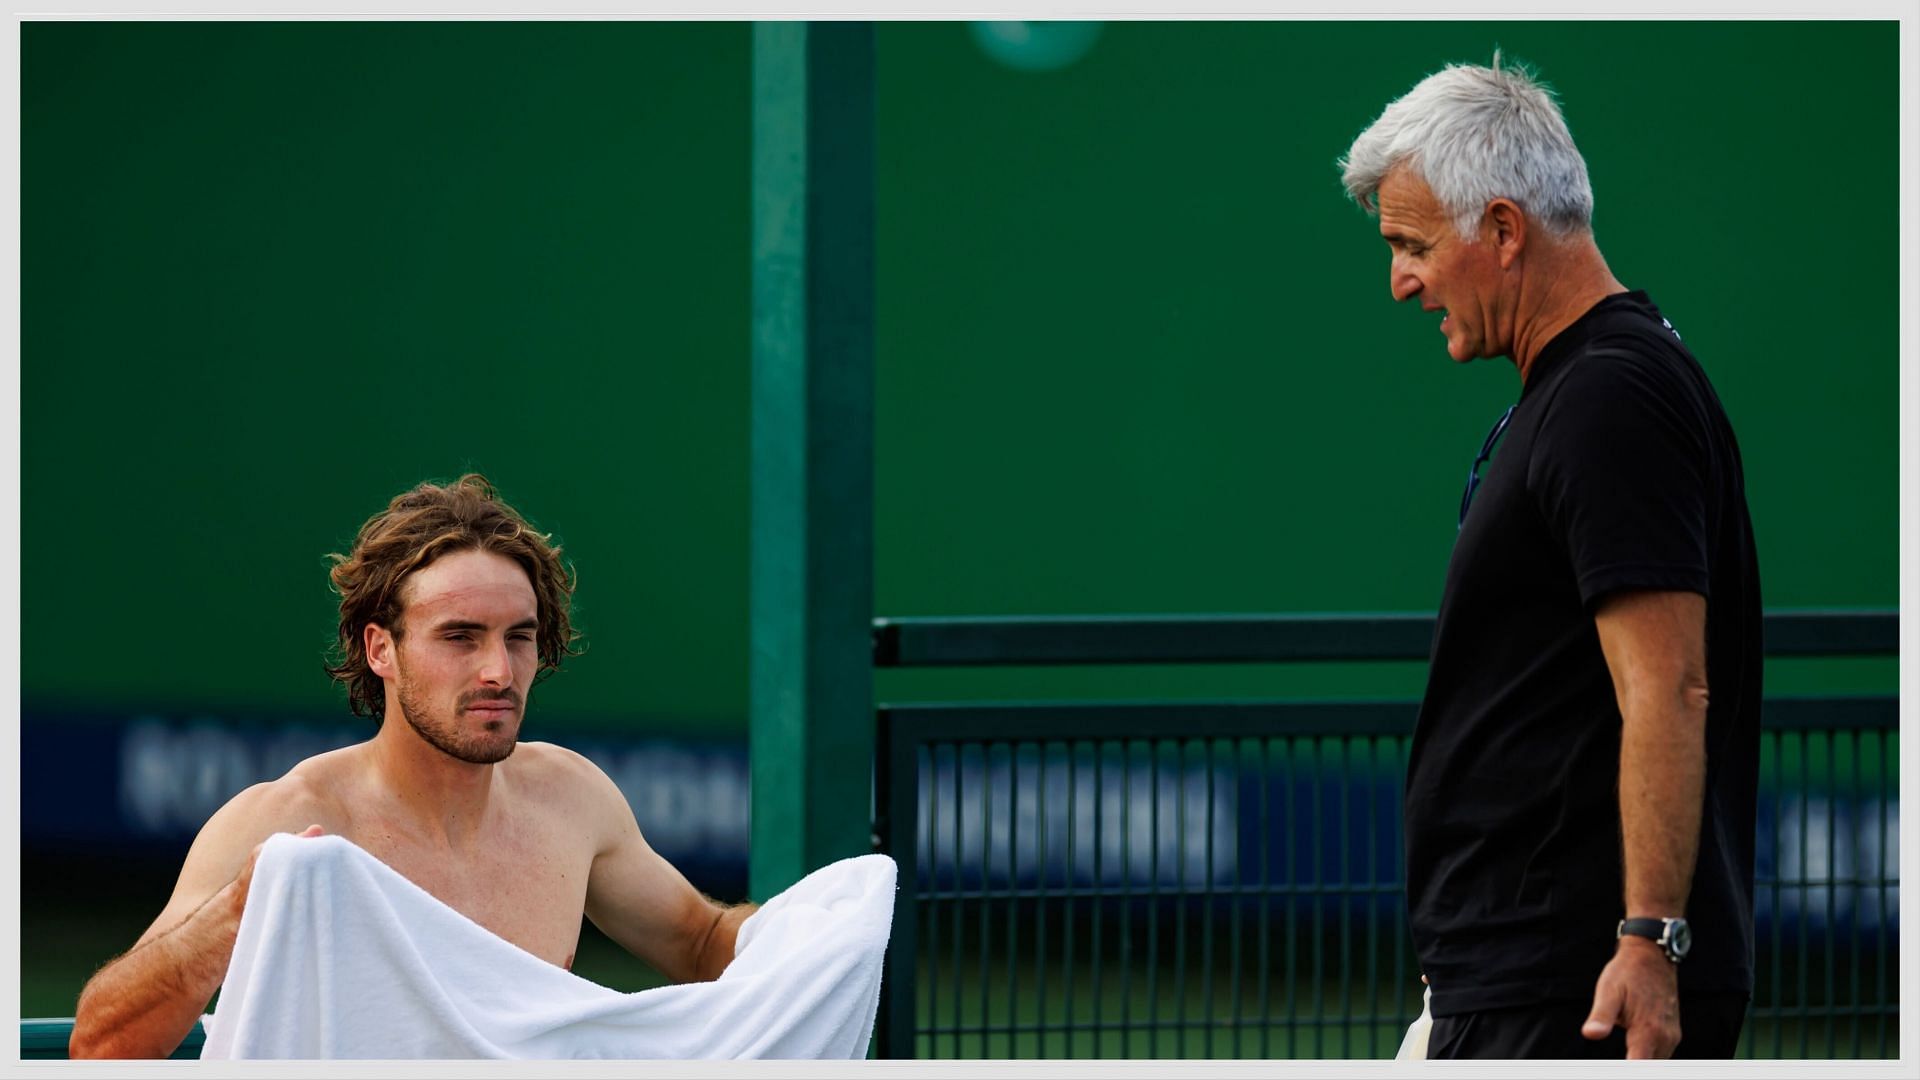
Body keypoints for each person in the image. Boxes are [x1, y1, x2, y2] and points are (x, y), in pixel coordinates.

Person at [1337, 55, 1761, 1059]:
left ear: (1503, 229)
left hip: (1574, 990)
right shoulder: (1590, 385)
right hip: (1531, 977)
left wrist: (1650, 940)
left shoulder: (1610, 395)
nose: (1400, 282)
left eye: (1412, 244)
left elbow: (1669, 686)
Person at [69, 474, 758, 1058]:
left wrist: (830, 927)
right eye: (459, 637)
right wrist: (241, 911)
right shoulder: (285, 822)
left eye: (519, 638)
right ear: (381, 650)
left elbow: (702, 942)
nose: (499, 671)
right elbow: (100, 1044)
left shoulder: (571, 797)